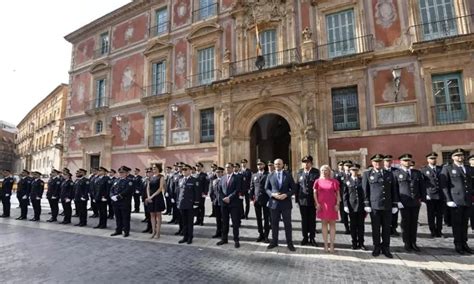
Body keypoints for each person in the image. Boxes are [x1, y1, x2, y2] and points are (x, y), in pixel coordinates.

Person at [363, 154, 399, 258]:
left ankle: (386, 248)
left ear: (382, 162)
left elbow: (394, 189)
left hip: (387, 206)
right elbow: (365, 190)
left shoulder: (389, 174)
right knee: (376, 228)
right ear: (372, 163)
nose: (377, 163)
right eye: (375, 162)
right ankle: (376, 247)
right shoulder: (368, 174)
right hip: (375, 206)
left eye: (379, 162)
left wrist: (394, 204)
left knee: (387, 228)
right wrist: (366, 203)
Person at [440, 148, 473, 254]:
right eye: (457, 155)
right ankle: (458, 244)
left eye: (462, 155)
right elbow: (444, 186)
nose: (460, 157)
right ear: (453, 157)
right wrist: (448, 199)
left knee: (465, 223)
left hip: (467, 200)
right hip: (456, 201)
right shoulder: (448, 169)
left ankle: (464, 243)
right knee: (457, 223)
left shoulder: (468, 169)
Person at [395, 154, 425, 252]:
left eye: (409, 160)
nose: (407, 162)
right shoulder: (396, 173)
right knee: (405, 223)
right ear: (401, 162)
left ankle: (413, 242)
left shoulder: (416, 173)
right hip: (404, 203)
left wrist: (422, 199)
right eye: (405, 160)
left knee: (414, 223)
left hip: (415, 202)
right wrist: (397, 201)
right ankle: (406, 242)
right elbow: (394, 189)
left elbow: (422, 187)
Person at [265, 159, 296, 252]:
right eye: (275, 164)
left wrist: (286, 194)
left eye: (279, 164)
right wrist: (272, 194)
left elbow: (294, 188)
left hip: (285, 203)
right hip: (274, 203)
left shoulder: (288, 175)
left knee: (287, 224)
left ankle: (289, 243)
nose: (277, 165)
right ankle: (274, 242)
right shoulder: (270, 175)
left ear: (282, 165)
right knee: (274, 224)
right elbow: (266, 188)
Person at [314, 165, 340, 253]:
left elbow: (338, 194)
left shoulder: (334, 181)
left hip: (332, 205)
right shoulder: (317, 181)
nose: (324, 172)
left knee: (332, 225)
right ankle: (325, 245)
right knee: (324, 224)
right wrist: (317, 204)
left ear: (329, 171)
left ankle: (332, 245)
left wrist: (337, 204)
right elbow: (315, 193)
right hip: (322, 206)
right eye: (322, 170)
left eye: (326, 170)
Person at [217, 163, 243, 248]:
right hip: (224, 203)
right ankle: (224, 239)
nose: (227, 169)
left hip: (234, 203)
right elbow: (219, 190)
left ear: (232, 168)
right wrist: (224, 198)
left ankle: (236, 240)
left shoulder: (237, 178)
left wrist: (229, 198)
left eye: (229, 167)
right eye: (226, 167)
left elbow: (238, 189)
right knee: (224, 222)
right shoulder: (223, 178)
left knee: (235, 222)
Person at [295, 155, 320, 246]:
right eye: (304, 162)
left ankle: (312, 237)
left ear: (311, 163)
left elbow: (319, 188)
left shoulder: (316, 172)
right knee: (304, 220)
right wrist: (297, 200)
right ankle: (305, 237)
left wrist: (318, 201)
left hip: (313, 200)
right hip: (302, 201)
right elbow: (297, 187)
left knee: (312, 220)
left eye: (308, 162)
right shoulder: (299, 172)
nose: (306, 164)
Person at [343, 164, 366, 250]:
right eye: (352, 170)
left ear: (358, 171)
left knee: (361, 226)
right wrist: (345, 205)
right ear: (350, 171)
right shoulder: (347, 181)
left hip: (361, 206)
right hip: (351, 206)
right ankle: (354, 243)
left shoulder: (362, 180)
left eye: (356, 170)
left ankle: (361, 243)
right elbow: (345, 195)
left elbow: (365, 193)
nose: (354, 171)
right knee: (353, 226)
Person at [420, 152, 443, 237]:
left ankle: (439, 230)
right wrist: (425, 194)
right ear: (428, 160)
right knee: (431, 214)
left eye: (434, 158)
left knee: (440, 215)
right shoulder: (424, 170)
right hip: (430, 195)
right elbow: (422, 184)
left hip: (440, 195)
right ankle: (432, 230)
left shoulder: (441, 169)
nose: (433, 160)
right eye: (431, 158)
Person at [177, 164, 200, 244]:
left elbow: (197, 193)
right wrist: (178, 202)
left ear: (190, 171)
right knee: (184, 222)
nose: (184, 171)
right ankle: (185, 237)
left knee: (190, 222)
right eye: (183, 169)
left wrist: (196, 203)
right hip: (182, 204)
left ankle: (190, 237)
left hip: (190, 204)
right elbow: (178, 192)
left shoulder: (194, 180)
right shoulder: (180, 179)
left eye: (186, 169)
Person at [110, 166, 134, 237]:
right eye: (120, 172)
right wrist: (112, 196)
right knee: (118, 217)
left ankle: (126, 231)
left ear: (126, 173)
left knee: (125, 217)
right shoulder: (116, 180)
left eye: (122, 172)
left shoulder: (129, 181)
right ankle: (118, 230)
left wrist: (118, 196)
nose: (121, 174)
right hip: (116, 202)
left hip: (124, 202)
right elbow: (111, 189)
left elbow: (127, 191)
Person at [250, 159, 270, 243]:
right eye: (258, 164)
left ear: (264, 165)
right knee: (258, 218)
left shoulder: (268, 175)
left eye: (261, 164)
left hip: (266, 200)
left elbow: (271, 187)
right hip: (257, 200)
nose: (259, 166)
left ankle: (266, 236)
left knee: (266, 218)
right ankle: (260, 234)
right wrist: (251, 199)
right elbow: (251, 187)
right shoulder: (254, 175)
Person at [145, 164, 166, 239]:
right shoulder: (150, 177)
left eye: (155, 167)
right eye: (153, 168)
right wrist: (148, 197)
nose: (153, 169)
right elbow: (148, 188)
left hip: (157, 198)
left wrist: (152, 196)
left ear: (158, 168)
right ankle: (153, 231)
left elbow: (160, 188)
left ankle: (158, 232)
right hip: (150, 198)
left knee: (158, 215)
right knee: (152, 215)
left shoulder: (161, 177)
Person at [384, 155, 400, 237]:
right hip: (385, 195)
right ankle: (387, 229)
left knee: (395, 213)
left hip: (395, 195)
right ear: (384, 162)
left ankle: (394, 228)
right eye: (386, 161)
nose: (388, 162)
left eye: (389, 161)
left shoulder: (396, 171)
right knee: (386, 214)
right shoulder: (382, 171)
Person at [210, 166, 224, 239]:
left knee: (223, 219)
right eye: (216, 172)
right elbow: (212, 192)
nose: (217, 173)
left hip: (223, 203)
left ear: (222, 173)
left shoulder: (225, 180)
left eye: (219, 172)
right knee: (218, 219)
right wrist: (213, 199)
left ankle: (223, 233)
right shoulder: (214, 181)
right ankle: (218, 232)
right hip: (216, 202)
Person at [142, 168, 153, 233]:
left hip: (151, 199)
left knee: (152, 215)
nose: (148, 173)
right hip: (145, 199)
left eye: (149, 172)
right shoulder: (145, 180)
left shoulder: (154, 180)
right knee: (147, 215)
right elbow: (143, 189)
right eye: (147, 172)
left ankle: (152, 228)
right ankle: (148, 227)